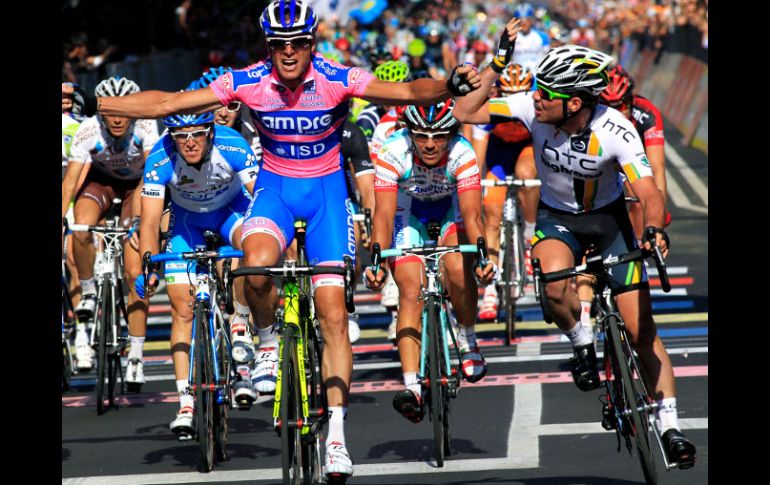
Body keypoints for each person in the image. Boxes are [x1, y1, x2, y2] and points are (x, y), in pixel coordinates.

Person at [63, 1, 486, 478]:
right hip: (275, 192)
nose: (288, 52)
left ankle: (337, 437)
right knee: (256, 264)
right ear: (269, 46)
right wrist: (97, 105)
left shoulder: (336, 77)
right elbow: (167, 105)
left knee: (332, 313)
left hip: (326, 198)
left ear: (311, 43)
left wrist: (449, 85)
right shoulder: (249, 81)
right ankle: (267, 341)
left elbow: (407, 91)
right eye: (279, 44)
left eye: (297, 43)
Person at [453, 42, 697, 468]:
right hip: (557, 218)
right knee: (552, 285)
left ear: (575, 103)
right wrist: (494, 67)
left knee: (641, 330)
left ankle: (670, 426)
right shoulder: (530, 109)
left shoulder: (617, 129)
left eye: (547, 93)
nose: (537, 97)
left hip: (608, 221)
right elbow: (464, 110)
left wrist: (654, 228)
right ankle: (582, 342)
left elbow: (648, 192)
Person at [364, 99, 496, 422]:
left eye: (439, 136)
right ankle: (412, 386)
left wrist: (481, 256)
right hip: (407, 212)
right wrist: (376, 261)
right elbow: (383, 215)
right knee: (410, 291)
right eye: (421, 136)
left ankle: (467, 339)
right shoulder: (393, 152)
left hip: (450, 209)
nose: (430, 144)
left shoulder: (463, 153)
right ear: (409, 133)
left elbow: (471, 215)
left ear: (452, 134)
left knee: (458, 268)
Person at [134, 110, 259, 436]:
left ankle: (240, 328)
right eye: (181, 136)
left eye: (197, 134)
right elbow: (150, 221)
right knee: (182, 309)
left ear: (211, 133)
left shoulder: (232, 144)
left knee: (248, 250)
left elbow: (261, 201)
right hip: (186, 224)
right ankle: (186, 401)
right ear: (172, 138)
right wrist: (149, 266)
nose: (189, 143)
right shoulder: (160, 158)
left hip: (231, 212)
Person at [61, 76, 160, 386]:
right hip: (101, 183)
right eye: (110, 112)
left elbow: (152, 175)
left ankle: (136, 355)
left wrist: (139, 221)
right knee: (81, 224)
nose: (117, 119)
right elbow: (70, 182)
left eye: (124, 111)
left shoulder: (146, 126)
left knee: (134, 272)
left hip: (137, 185)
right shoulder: (88, 129)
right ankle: (89, 290)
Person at [470, 63, 539, 321]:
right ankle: (490, 289)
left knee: (526, 175)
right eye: (508, 95)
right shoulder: (490, 107)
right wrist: (475, 188)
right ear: (499, 93)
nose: (514, 101)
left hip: (526, 150)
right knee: (491, 214)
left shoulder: (537, 108)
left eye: (520, 94)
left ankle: (529, 235)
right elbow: (478, 157)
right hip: (498, 154)